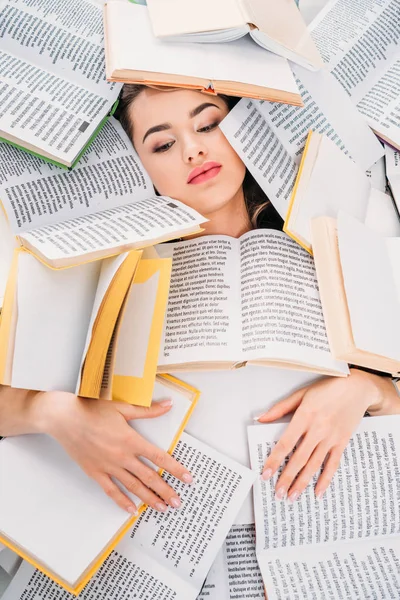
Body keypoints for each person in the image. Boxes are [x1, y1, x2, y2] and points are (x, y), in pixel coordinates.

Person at [116, 83, 400, 502]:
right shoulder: (121, 279)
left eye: (209, 124)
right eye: (163, 145)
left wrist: (372, 390)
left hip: (354, 507)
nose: (192, 150)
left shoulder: (343, 234)